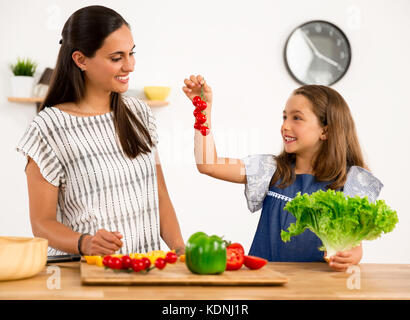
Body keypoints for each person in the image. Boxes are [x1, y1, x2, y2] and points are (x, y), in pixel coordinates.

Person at [16, 5, 185, 257]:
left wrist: (182, 253)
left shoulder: (139, 114)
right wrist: (85, 242)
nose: (129, 66)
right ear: (80, 59)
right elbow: (42, 224)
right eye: (116, 58)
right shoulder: (48, 128)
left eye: (131, 53)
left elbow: (159, 197)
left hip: (144, 272)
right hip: (83, 275)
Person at [182, 75, 383, 272]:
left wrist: (351, 257)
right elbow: (208, 164)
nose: (285, 126)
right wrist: (203, 109)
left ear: (325, 131)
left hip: (319, 291)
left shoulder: (350, 183)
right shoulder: (270, 170)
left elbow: (354, 247)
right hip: (266, 287)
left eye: (297, 118)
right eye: (285, 116)